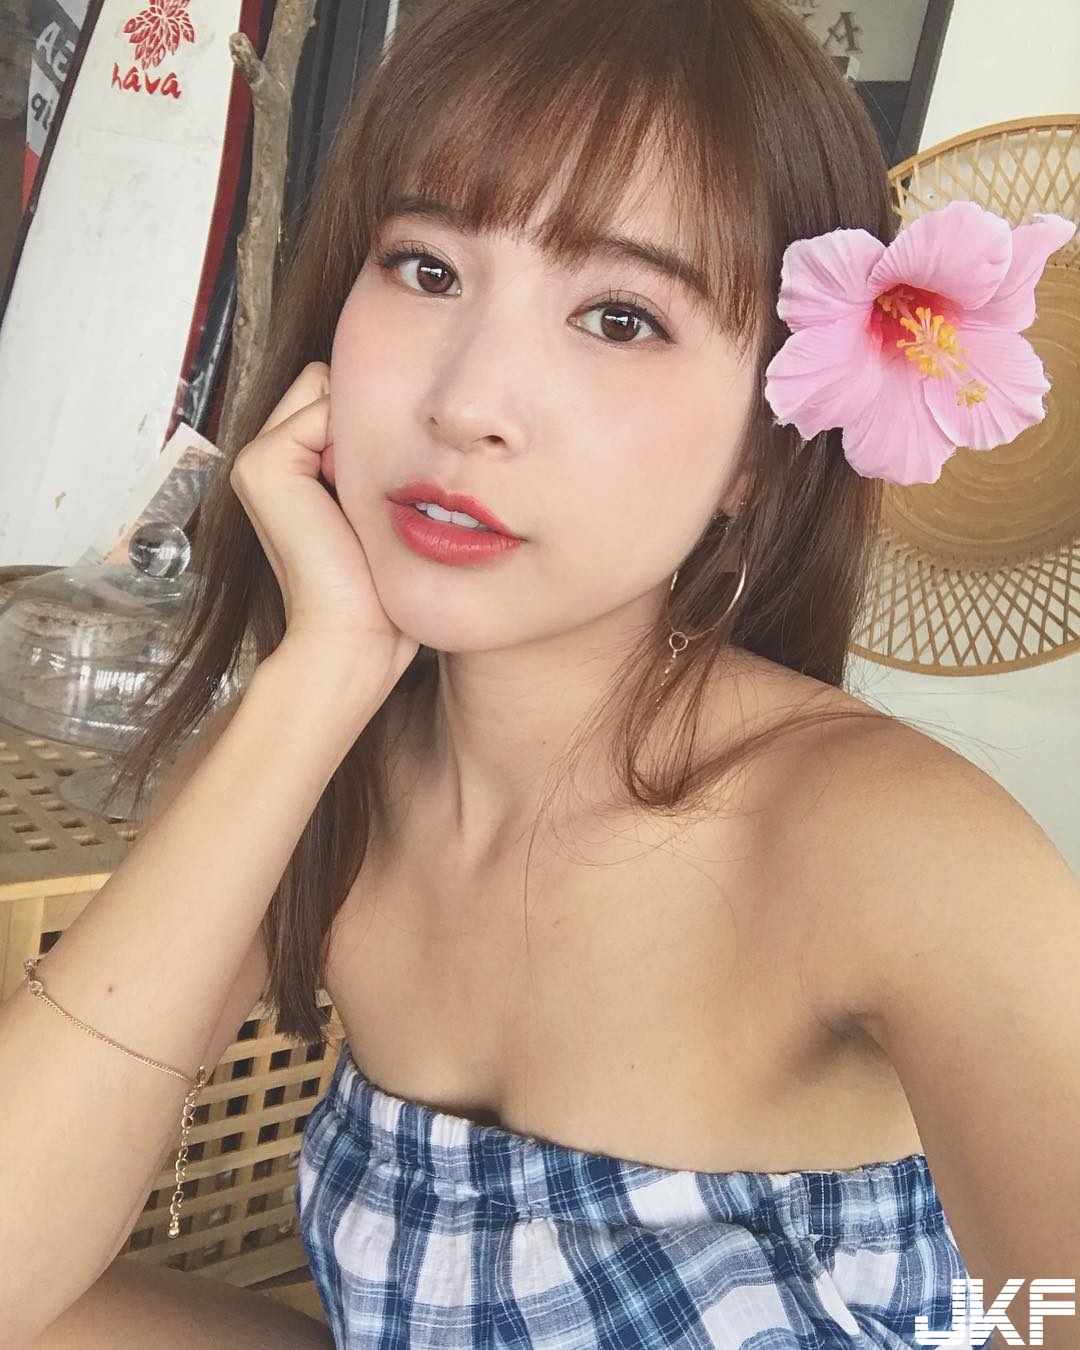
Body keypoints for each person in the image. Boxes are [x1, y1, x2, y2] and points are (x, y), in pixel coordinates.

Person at [2, 0, 1077, 1346]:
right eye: (427, 268)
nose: (465, 403)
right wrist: (322, 670)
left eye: (620, 316)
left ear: (762, 448)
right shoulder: (322, 771)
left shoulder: (898, 847)